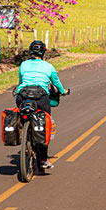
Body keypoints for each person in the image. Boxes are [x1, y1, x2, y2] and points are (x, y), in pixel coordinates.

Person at [16, 40, 68, 169]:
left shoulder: (23, 65)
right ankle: (43, 159)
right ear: (43, 52)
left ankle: (25, 129)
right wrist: (63, 91)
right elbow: (56, 83)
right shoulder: (48, 67)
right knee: (44, 123)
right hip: (41, 98)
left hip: (22, 96)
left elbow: (21, 81)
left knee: (22, 114)